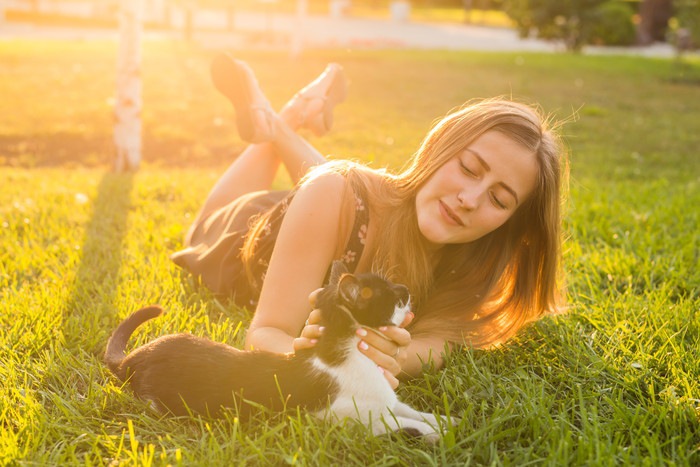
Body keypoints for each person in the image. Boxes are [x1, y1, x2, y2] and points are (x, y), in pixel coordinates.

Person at [172, 54, 567, 389]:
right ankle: (282, 117)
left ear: (511, 223)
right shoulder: (334, 194)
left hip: (335, 209)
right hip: (244, 232)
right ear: (440, 148)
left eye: (499, 200)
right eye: (467, 168)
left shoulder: (475, 263)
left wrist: (397, 356)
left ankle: (288, 115)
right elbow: (264, 333)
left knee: (339, 187)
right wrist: (303, 357)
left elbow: (441, 340)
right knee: (210, 223)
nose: (469, 200)